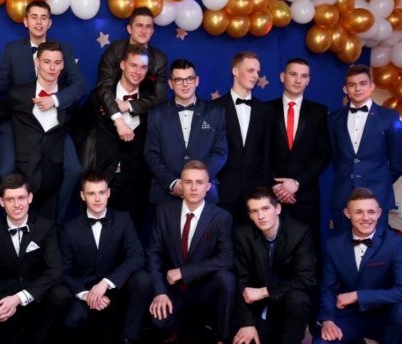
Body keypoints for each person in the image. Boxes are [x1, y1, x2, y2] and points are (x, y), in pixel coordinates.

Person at [311, 188, 402, 344]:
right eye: (358, 212)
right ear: (347, 214)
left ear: (379, 213)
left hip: (383, 313)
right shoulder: (333, 243)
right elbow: (328, 288)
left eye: (371, 212)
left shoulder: (396, 243)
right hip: (350, 314)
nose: (366, 218)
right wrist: (328, 320)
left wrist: (358, 295)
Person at [0, 173, 72, 344]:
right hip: (6, 296)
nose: (16, 205)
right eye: (10, 199)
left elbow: (55, 270)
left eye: (21, 198)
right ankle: (12, 331)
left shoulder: (46, 227)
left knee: (61, 294)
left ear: (30, 198)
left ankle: (40, 343)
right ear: (2, 202)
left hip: (36, 295)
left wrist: (20, 298)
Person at [147, 160, 235, 344]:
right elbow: (153, 253)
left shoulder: (221, 217)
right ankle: (175, 323)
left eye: (199, 182)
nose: (193, 187)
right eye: (188, 182)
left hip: (204, 286)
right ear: (181, 185)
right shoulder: (164, 212)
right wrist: (160, 292)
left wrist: (184, 272)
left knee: (226, 278)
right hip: (173, 288)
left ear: (208, 186)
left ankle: (222, 341)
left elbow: (226, 258)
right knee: (159, 323)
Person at [59, 171, 152, 344]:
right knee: (72, 322)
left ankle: (128, 340)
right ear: (82, 195)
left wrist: (106, 283)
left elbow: (137, 256)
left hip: (115, 286)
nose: (97, 198)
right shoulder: (69, 229)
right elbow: (64, 271)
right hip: (86, 290)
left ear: (108, 193)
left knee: (143, 279)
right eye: (91, 193)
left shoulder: (123, 220)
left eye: (101, 192)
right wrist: (86, 295)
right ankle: (93, 329)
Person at [0, 42, 79, 222]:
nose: (52, 68)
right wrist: (5, 145)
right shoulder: (18, 94)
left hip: (53, 179)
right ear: (37, 62)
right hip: (24, 177)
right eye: (47, 62)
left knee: (50, 230)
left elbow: (75, 128)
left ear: (63, 65)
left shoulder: (69, 99)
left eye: (57, 63)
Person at [232, 187, 316, 344]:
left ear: (277, 209)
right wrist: (247, 323)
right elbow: (241, 280)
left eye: (265, 208)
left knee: (299, 300)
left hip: (288, 300)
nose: (260, 216)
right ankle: (272, 336)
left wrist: (265, 291)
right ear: (250, 215)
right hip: (260, 307)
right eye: (254, 211)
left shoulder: (299, 232)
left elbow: (306, 279)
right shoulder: (243, 235)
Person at [82, 45, 158, 228]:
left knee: (134, 234)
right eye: (133, 65)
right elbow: (79, 129)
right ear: (123, 65)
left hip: (137, 182)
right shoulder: (99, 97)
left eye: (143, 67)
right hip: (102, 179)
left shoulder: (152, 100)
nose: (138, 72)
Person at [327, 64, 402, 232]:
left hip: (377, 197)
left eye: (363, 83)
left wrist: (379, 181)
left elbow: (400, 161)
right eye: (352, 85)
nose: (358, 89)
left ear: (371, 86)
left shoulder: (389, 117)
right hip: (343, 196)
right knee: (342, 244)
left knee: (376, 246)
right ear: (345, 89)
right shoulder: (333, 119)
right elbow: (335, 157)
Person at [145, 58, 227, 206]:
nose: (185, 84)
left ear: (197, 81)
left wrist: (197, 182)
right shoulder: (156, 114)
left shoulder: (216, 112)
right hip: (166, 194)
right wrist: (172, 183)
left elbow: (220, 153)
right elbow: (151, 154)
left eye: (189, 79)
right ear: (171, 84)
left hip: (206, 194)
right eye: (179, 80)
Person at [268, 58, 330, 251]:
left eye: (303, 76)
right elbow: (259, 153)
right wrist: (277, 186)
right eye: (293, 74)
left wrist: (296, 183)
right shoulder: (265, 110)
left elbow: (324, 154)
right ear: (282, 77)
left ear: (308, 80)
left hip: (306, 194)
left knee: (308, 248)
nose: (298, 80)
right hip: (272, 194)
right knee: (271, 248)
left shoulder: (319, 111)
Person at [214, 51, 272, 226]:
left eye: (258, 72)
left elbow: (267, 154)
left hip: (255, 195)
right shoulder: (215, 108)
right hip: (223, 191)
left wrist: (265, 191)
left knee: (252, 241)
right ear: (235, 71)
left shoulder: (265, 110)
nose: (256, 76)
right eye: (250, 70)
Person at [95, 6, 168, 143]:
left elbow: (160, 97)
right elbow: (104, 86)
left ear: (152, 31)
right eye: (139, 25)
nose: (144, 31)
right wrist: (115, 113)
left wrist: (127, 105)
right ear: (129, 29)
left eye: (148, 26)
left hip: (141, 122)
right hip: (107, 117)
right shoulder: (115, 50)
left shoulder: (159, 59)